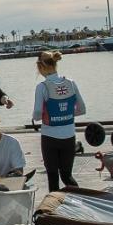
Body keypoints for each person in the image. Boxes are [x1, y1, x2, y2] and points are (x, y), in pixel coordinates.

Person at [32, 50, 86, 193]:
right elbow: (82, 110)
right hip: (69, 136)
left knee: (53, 176)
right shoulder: (71, 83)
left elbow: (37, 114)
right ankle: (81, 202)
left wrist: (38, 117)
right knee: (67, 175)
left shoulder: (42, 87)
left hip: (50, 137)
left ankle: (54, 209)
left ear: (40, 67)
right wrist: (66, 114)